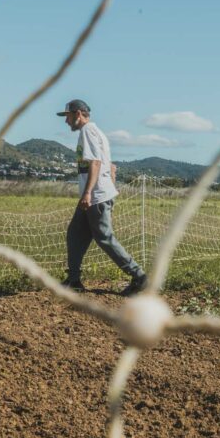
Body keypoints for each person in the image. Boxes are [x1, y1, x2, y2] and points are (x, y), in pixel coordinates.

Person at [57, 99, 147, 296]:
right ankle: (73, 280)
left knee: (104, 238)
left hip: (95, 196)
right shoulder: (96, 132)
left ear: (78, 114)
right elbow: (111, 166)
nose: (66, 122)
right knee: (75, 234)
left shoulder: (88, 131)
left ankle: (140, 277)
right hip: (95, 194)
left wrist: (89, 193)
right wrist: (109, 185)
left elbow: (96, 163)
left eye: (68, 117)